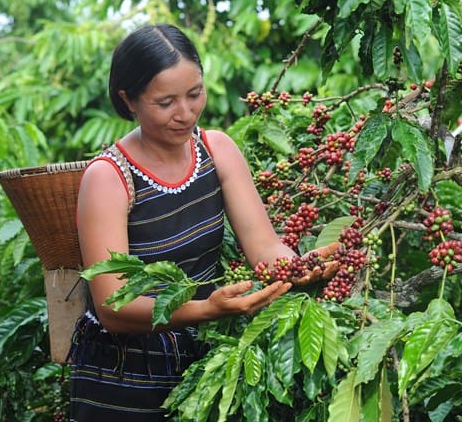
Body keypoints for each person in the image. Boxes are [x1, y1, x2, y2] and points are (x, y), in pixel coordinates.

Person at [68, 23, 337, 421]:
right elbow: (113, 308)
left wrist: (301, 267)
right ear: (129, 100)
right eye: (166, 102)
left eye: (195, 94)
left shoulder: (218, 149)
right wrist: (206, 309)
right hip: (125, 383)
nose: (186, 113)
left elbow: (264, 247)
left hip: (202, 369)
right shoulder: (108, 177)